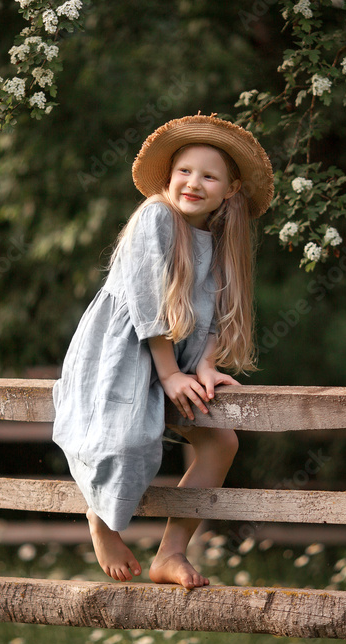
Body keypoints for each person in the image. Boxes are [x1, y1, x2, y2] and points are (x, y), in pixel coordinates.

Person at [52, 114, 274, 589]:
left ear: (231, 189)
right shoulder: (156, 217)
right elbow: (147, 304)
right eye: (185, 171)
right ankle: (101, 520)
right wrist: (171, 373)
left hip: (176, 359)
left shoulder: (220, 240)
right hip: (125, 349)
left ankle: (170, 553)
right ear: (170, 176)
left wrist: (208, 365)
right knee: (128, 438)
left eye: (209, 176)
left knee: (222, 442)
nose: (194, 183)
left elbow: (218, 308)